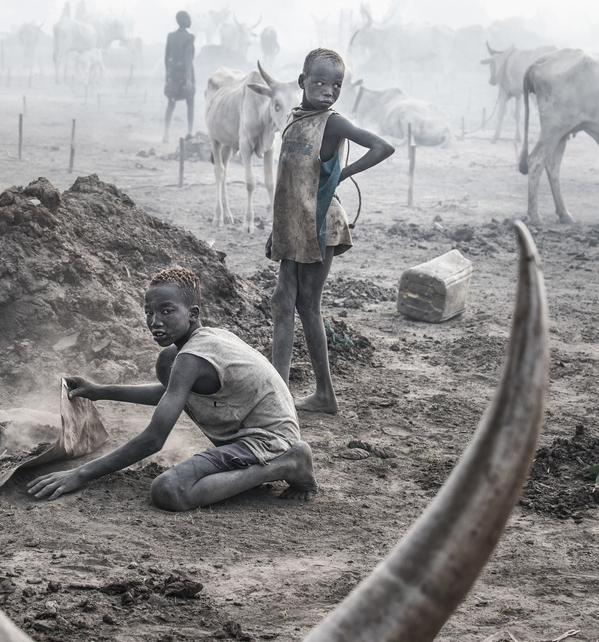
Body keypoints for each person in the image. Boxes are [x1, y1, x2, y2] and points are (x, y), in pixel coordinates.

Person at [28, 267, 318, 511]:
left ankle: (287, 463)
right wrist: (100, 390)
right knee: (166, 362)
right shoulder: (197, 345)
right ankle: (273, 460)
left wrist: (81, 474)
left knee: (169, 490)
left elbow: (154, 439)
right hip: (251, 432)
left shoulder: (193, 357)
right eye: (149, 312)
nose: (155, 322)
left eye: (167, 311)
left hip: (268, 439)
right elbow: (170, 395)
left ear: (192, 313)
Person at [267, 48, 395, 414]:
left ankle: (323, 395)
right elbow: (288, 181)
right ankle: (278, 391)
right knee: (281, 302)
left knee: (307, 305)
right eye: (319, 82)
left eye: (335, 84)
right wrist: (277, 230)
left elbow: (382, 147)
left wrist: (343, 173)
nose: (327, 90)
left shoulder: (333, 123)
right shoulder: (294, 118)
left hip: (321, 224)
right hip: (293, 223)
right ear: (302, 82)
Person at [163, 11, 195, 144]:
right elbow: (188, 58)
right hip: (185, 72)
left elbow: (166, 57)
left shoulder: (170, 36)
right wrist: (188, 78)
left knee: (171, 103)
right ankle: (189, 131)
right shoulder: (190, 37)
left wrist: (168, 73)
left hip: (172, 72)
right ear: (185, 21)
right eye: (188, 18)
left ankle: (166, 134)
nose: (190, 20)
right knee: (190, 102)